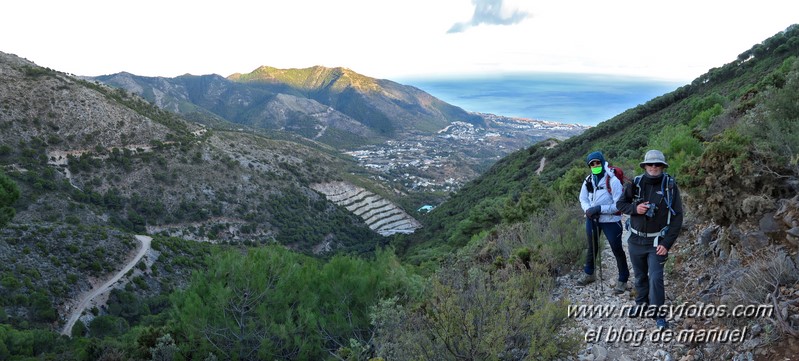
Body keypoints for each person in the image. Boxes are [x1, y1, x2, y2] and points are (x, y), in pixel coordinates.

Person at [616, 149, 683, 330]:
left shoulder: (669, 186)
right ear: (645, 165)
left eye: (658, 164)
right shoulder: (636, 183)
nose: (654, 167)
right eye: (650, 164)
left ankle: (659, 314)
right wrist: (635, 209)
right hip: (636, 240)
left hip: (656, 242)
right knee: (639, 275)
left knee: (655, 278)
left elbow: (677, 218)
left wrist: (666, 243)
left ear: (663, 166)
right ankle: (641, 303)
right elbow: (620, 204)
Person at [577, 151, 629, 295]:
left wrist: (600, 208)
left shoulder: (612, 180)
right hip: (593, 218)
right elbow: (583, 198)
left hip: (611, 220)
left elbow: (619, 204)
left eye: (597, 163)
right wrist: (588, 210)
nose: (595, 166)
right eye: (592, 164)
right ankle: (589, 273)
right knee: (592, 246)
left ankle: (623, 279)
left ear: (602, 162)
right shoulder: (589, 180)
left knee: (616, 248)